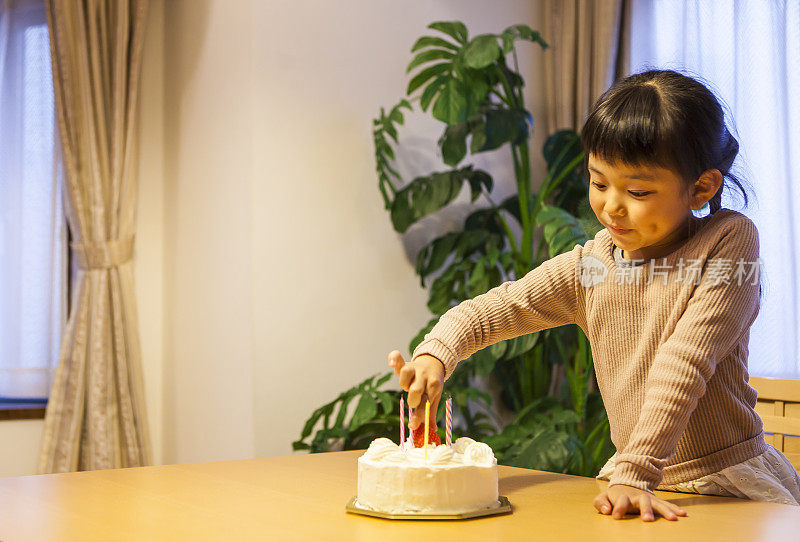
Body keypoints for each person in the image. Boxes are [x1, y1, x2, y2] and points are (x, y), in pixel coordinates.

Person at [387, 69, 800, 521]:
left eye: (638, 190)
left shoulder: (727, 242)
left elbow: (685, 361)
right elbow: (498, 308)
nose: (611, 207)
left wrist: (637, 468)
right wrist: (436, 354)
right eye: (599, 183)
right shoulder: (596, 264)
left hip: (724, 482)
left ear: (702, 187)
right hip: (634, 482)